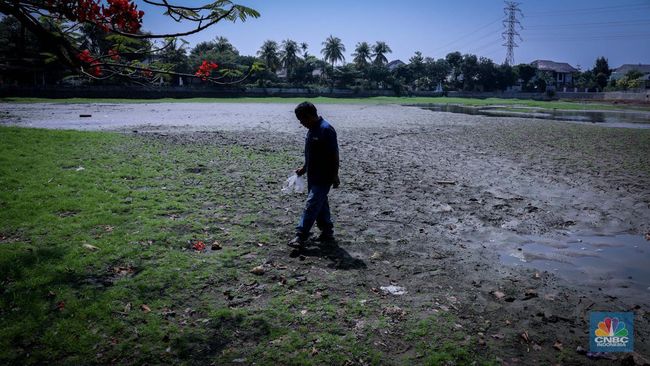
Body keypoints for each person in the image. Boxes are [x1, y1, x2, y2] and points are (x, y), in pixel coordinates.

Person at [289, 102, 340, 248]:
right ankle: (327, 232)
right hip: (313, 175)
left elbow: (334, 155)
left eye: (302, 120)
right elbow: (311, 154)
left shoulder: (326, 130)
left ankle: (300, 235)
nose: (301, 123)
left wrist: (335, 175)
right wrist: (304, 168)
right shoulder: (311, 129)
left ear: (310, 116)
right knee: (320, 203)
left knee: (311, 205)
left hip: (324, 176)